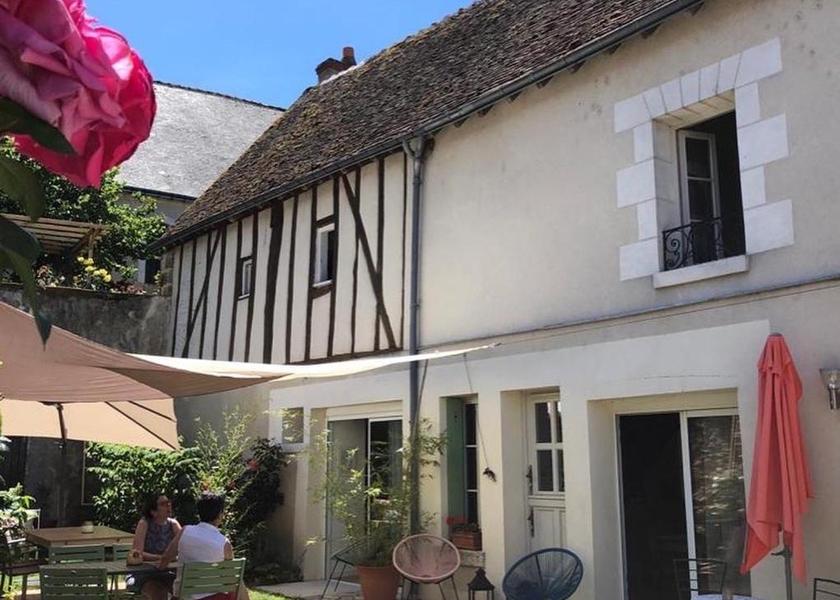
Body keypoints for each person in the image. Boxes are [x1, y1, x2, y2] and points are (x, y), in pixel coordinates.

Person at [159, 492, 250, 600]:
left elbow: (165, 558)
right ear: (220, 514)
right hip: (215, 598)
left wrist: (160, 568)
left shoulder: (185, 531)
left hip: (183, 597)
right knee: (238, 580)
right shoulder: (224, 544)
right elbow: (230, 578)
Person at [127, 493, 181, 600]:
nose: (168, 505)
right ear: (153, 511)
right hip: (144, 574)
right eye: (163, 504)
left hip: (167, 572)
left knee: (182, 591)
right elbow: (137, 553)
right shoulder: (144, 523)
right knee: (159, 593)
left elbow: (186, 546)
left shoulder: (173, 524)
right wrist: (161, 558)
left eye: (169, 502)